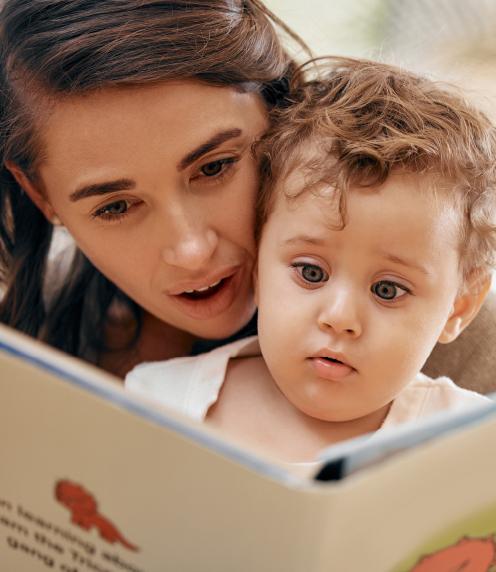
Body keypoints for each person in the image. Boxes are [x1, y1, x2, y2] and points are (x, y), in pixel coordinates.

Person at [0, 1, 495, 392]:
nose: (191, 250)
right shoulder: (26, 343)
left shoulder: (462, 340)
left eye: (215, 167)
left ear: (280, 113)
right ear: (41, 196)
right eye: (114, 207)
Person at [125, 58, 494, 463]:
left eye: (387, 290)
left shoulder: (472, 446)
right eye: (311, 272)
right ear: (258, 262)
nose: (339, 318)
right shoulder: (158, 402)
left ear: (459, 305)